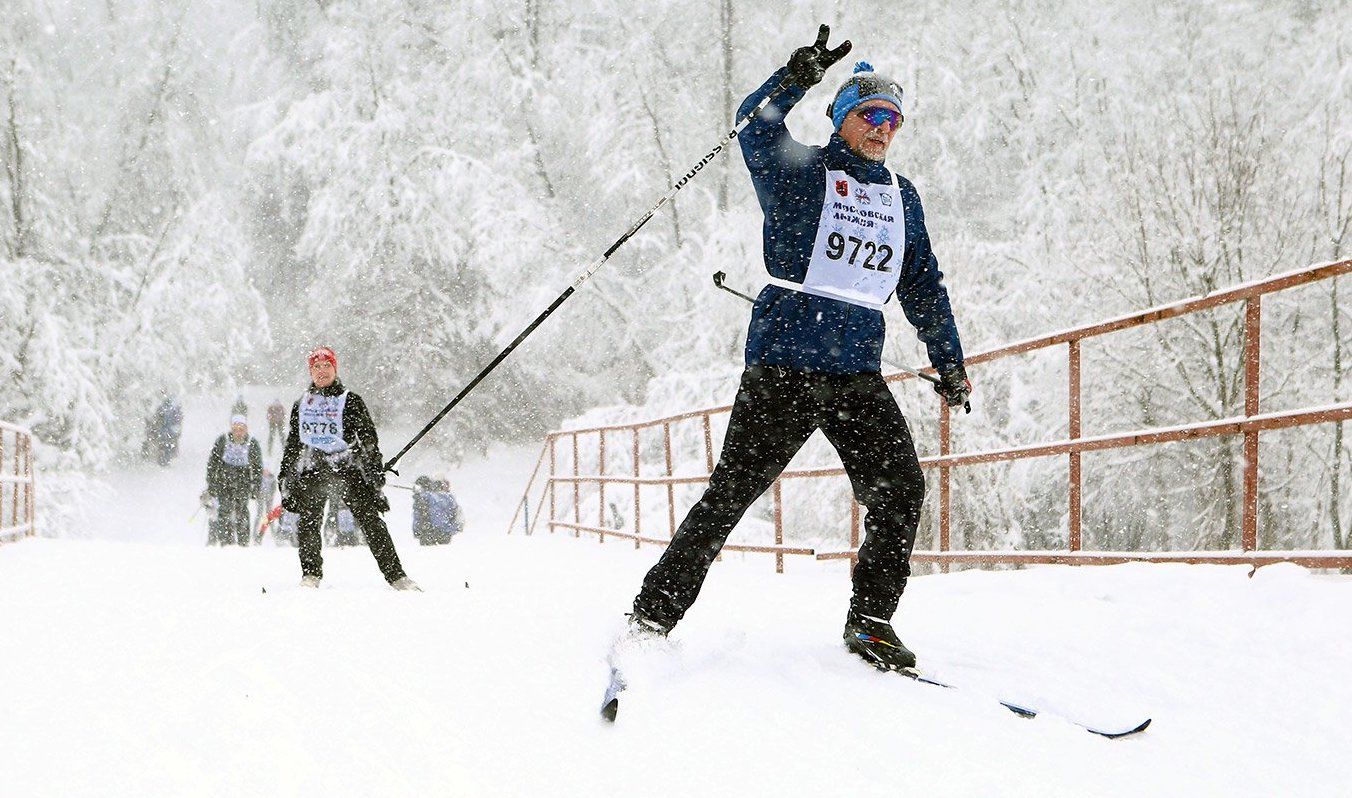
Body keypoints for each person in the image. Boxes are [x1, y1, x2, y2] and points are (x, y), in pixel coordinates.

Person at [624, 27, 972, 673]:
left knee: (901, 490)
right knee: (729, 495)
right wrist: (797, 76)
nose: (882, 128)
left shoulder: (903, 199)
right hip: (784, 367)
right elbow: (753, 126)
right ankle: (653, 613)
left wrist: (949, 359)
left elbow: (922, 283)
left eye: (891, 119)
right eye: (869, 115)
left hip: (855, 378)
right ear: (842, 122)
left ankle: (870, 623)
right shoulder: (802, 173)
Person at [278, 346, 420, 590]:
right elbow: (293, 444)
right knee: (309, 521)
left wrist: (374, 468)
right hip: (314, 467)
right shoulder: (301, 404)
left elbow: (368, 438)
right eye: (316, 367)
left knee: (370, 521)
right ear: (310, 371)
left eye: (327, 366)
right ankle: (310, 575)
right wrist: (286, 474)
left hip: (347, 466)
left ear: (335, 368)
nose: (322, 371)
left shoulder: (350, 400)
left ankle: (397, 576)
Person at [206, 415, 263, 546]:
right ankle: (225, 542)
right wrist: (211, 484)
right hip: (224, 482)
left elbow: (258, 468)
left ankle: (243, 543)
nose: (238, 432)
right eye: (235, 428)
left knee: (242, 510)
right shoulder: (223, 441)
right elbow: (212, 464)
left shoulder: (252, 443)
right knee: (224, 510)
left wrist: (256, 487)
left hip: (243, 483)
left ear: (246, 429)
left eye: (241, 429)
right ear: (231, 429)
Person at [412, 476, 464, 545]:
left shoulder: (427, 498)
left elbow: (419, 518)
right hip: (440, 534)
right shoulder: (446, 498)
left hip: (430, 534)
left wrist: (418, 531)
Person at [253, 467, 278, 543]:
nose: (265, 472)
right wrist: (256, 494)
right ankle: (255, 532)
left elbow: (274, 488)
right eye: (264, 470)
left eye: (267, 470)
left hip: (269, 498)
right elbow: (256, 487)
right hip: (260, 497)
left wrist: (271, 496)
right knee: (259, 514)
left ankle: (273, 532)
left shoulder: (272, 478)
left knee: (269, 515)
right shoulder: (259, 478)